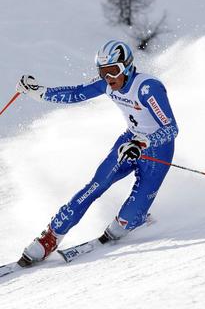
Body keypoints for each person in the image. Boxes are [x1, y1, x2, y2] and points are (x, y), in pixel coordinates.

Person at [15, 40, 178, 266]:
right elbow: (76, 93)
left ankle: (134, 219)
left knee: (123, 225)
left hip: (157, 151)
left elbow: (171, 129)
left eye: (114, 70)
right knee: (96, 184)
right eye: (103, 72)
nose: (109, 78)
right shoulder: (108, 85)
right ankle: (51, 236)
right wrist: (39, 93)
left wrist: (143, 143)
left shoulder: (147, 88)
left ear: (128, 66)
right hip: (128, 142)